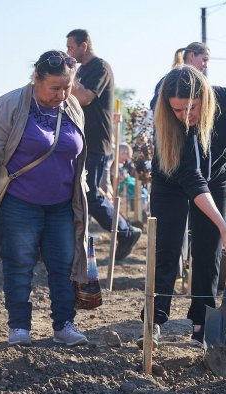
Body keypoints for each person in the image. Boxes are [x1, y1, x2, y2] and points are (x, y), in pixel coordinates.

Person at [0, 50, 90, 346]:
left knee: (63, 263)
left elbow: (78, 154)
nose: (62, 94)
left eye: (67, 87)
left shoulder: (72, 107)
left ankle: (64, 325)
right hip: (20, 203)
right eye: (54, 88)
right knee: (19, 263)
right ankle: (19, 327)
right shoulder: (9, 105)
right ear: (36, 79)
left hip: (61, 204)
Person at [138, 65, 226, 347]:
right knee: (167, 248)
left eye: (192, 108)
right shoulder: (166, 120)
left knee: (208, 251)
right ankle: (155, 319)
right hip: (171, 179)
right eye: (177, 111)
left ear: (205, 99)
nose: (185, 117)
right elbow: (192, 178)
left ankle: (201, 325)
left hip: (216, 178)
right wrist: (223, 224)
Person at [66, 28, 141, 261]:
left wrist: (67, 75)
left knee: (90, 195)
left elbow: (85, 97)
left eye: (71, 47)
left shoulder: (100, 67)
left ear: (84, 46)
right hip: (81, 141)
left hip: (96, 142)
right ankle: (74, 243)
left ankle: (126, 232)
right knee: (78, 193)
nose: (69, 52)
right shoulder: (83, 70)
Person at [149, 42, 210, 111]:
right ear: (192, 56)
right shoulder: (170, 81)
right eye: (204, 60)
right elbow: (156, 107)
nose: (206, 65)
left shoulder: (199, 83)